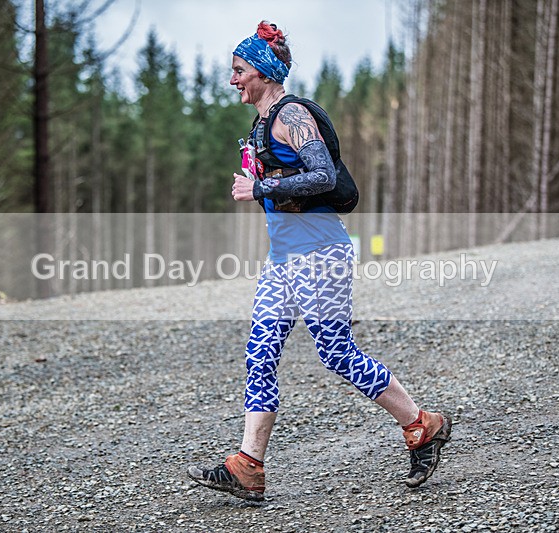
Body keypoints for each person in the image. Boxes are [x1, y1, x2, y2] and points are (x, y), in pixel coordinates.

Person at [187, 21, 452, 502]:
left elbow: (323, 174)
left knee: (335, 353)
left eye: (239, 70)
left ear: (263, 73)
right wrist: (259, 179)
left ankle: (421, 426)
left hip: (322, 255)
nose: (233, 80)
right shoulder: (264, 124)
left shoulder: (292, 116)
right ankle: (249, 465)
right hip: (284, 260)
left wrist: (261, 187)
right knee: (260, 352)